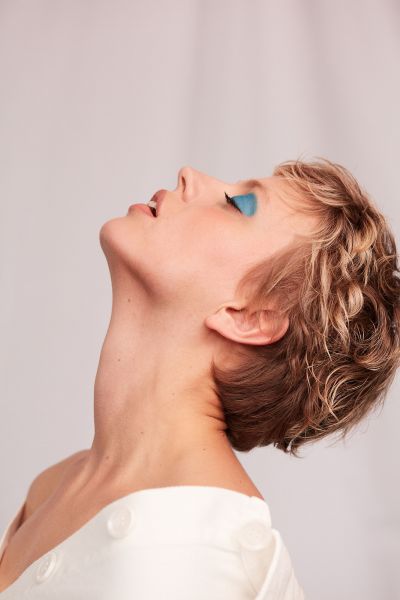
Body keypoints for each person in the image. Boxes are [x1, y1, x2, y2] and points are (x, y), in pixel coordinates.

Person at [1, 158, 399, 599]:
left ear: (248, 317)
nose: (189, 174)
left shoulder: (211, 560)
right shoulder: (54, 486)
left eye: (237, 204)